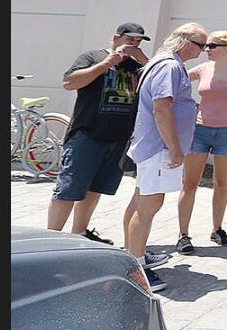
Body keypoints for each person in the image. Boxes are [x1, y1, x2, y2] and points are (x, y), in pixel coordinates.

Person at [47, 22, 150, 245]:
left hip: (118, 137)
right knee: (69, 188)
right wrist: (106, 63)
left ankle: (79, 233)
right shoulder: (92, 56)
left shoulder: (135, 66)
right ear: (116, 37)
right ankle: (51, 238)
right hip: (87, 134)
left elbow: (157, 84)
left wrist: (145, 61)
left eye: (138, 41)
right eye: (130, 39)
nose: (134, 44)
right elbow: (69, 82)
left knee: (96, 188)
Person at [125, 23, 207, 292]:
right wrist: (175, 149)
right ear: (185, 41)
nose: (203, 51)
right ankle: (136, 271)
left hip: (153, 145)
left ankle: (132, 256)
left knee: (141, 200)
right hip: (159, 147)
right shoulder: (169, 66)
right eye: (200, 45)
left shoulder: (164, 62)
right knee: (149, 205)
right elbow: (162, 109)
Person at [176, 30, 227, 253]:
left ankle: (217, 228)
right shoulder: (203, 68)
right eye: (206, 45)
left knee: (222, 183)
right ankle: (183, 234)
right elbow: (175, 77)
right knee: (190, 183)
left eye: (213, 45)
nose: (207, 49)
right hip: (199, 130)